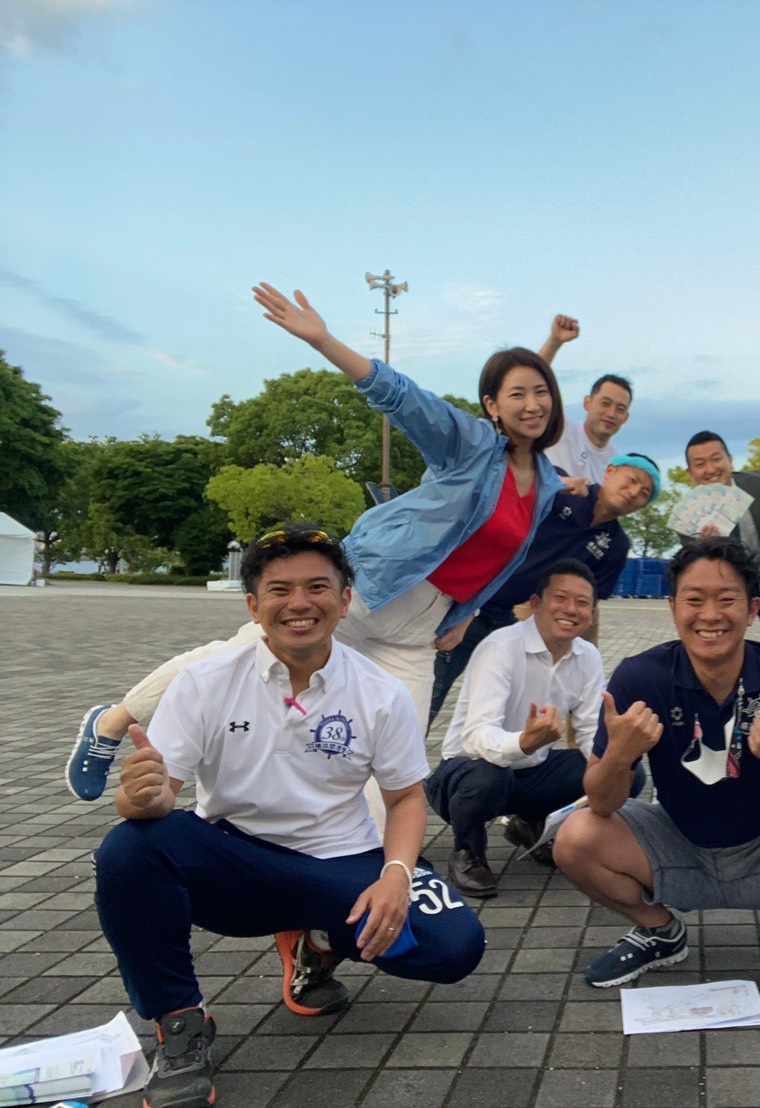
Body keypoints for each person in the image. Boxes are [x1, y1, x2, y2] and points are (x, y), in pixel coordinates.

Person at [67, 284, 567, 802]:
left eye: (542, 393)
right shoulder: (471, 444)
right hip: (364, 590)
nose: (532, 404)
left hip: (416, 635)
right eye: (517, 394)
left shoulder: (547, 482)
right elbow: (401, 396)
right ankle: (111, 723)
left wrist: (466, 611)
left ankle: (366, 865)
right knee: (231, 663)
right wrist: (323, 340)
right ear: (491, 405)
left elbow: (504, 558)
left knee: (398, 759)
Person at [94, 525, 485, 1108]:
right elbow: (153, 800)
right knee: (130, 848)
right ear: (253, 605)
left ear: (346, 599)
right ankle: (179, 1021)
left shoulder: (381, 691)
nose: (299, 603)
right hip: (237, 860)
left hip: (343, 863)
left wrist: (395, 875)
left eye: (317, 587)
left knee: (455, 946)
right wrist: (141, 796)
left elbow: (405, 798)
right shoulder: (205, 681)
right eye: (279, 590)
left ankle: (320, 939)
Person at [554, 537, 760, 999]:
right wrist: (618, 756)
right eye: (694, 600)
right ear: (673, 607)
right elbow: (602, 802)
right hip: (676, 842)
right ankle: (657, 931)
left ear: (753, 609)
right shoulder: (641, 676)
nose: (710, 615)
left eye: (727, 599)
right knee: (575, 836)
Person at [425, 560, 647, 897]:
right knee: (491, 774)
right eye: (561, 598)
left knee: (627, 772)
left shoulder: (586, 656)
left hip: (531, 770)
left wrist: (615, 756)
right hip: (464, 773)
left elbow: (589, 731)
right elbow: (476, 735)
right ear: (535, 604)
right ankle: (468, 851)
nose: (571, 609)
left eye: (583, 602)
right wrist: (524, 743)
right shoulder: (501, 647)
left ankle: (532, 825)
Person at [427, 453, 661, 720]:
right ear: (609, 471)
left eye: (644, 493)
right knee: (427, 695)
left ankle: (487, 757)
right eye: (631, 480)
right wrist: (554, 484)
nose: (634, 492)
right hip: (460, 598)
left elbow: (587, 605)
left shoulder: (616, 546)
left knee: (513, 706)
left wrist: (582, 664)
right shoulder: (560, 486)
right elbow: (507, 480)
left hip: (504, 616)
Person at [683, 431, 760, 643]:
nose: (710, 469)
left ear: (730, 459)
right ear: (690, 473)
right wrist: (706, 546)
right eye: (700, 464)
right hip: (727, 596)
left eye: (716, 459)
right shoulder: (688, 518)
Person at [546, 367, 636, 487]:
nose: (611, 414)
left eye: (620, 409)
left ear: (625, 417)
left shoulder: (615, 465)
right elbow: (533, 378)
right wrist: (553, 346)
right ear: (587, 403)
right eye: (605, 404)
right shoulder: (560, 429)